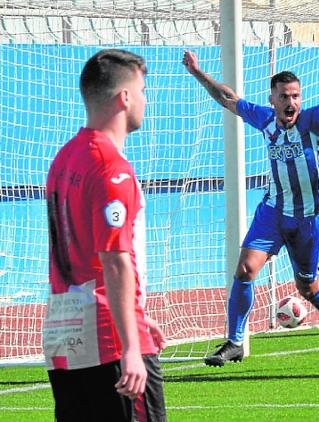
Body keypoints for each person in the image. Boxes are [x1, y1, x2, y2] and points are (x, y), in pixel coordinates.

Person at [183, 49, 319, 366]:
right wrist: (198, 72)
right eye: (284, 97)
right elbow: (228, 98)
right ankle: (236, 341)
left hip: (308, 219)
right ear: (273, 100)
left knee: (307, 286)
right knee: (245, 269)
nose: (290, 102)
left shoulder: (314, 122)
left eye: (295, 96)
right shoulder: (265, 121)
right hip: (273, 213)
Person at [44, 49, 167, 421]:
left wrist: (137, 316)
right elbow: (114, 262)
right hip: (108, 341)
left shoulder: (64, 159)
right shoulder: (112, 168)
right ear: (124, 97)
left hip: (63, 334)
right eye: (143, 90)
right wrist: (132, 344)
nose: (146, 100)